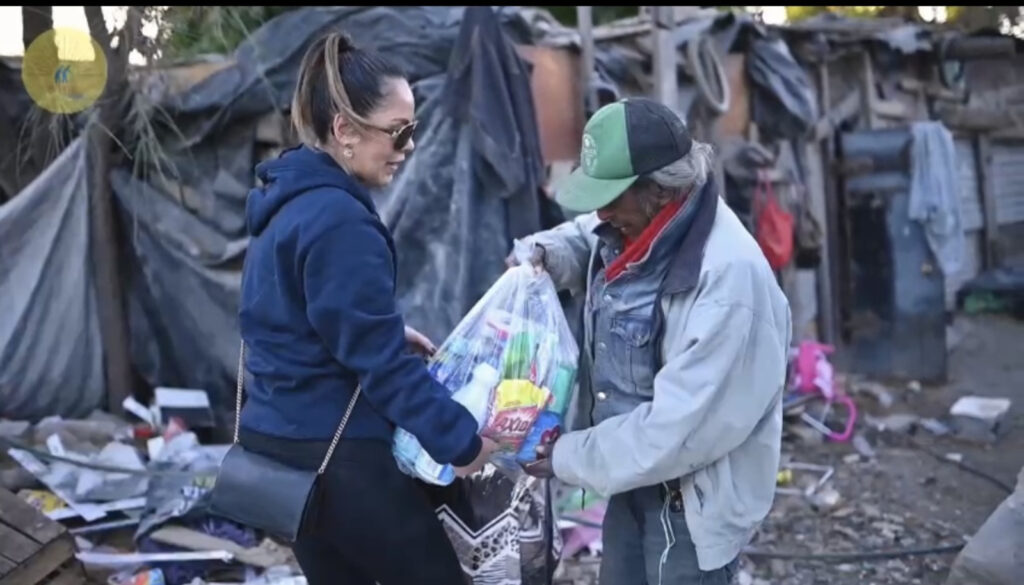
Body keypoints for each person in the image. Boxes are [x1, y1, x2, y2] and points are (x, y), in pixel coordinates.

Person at [236, 32, 497, 585]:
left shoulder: (286, 204)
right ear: (345, 131)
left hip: (281, 444)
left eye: (413, 130)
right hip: (336, 456)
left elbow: (287, 314)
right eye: (399, 132)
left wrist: (389, 329)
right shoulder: (341, 220)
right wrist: (461, 441)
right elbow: (380, 367)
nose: (407, 147)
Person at [514, 97, 792, 585]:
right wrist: (546, 255)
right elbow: (590, 234)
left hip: (690, 501)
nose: (602, 211)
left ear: (662, 192)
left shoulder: (728, 281)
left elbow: (677, 432)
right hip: (631, 477)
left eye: (613, 197)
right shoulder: (643, 222)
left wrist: (564, 457)